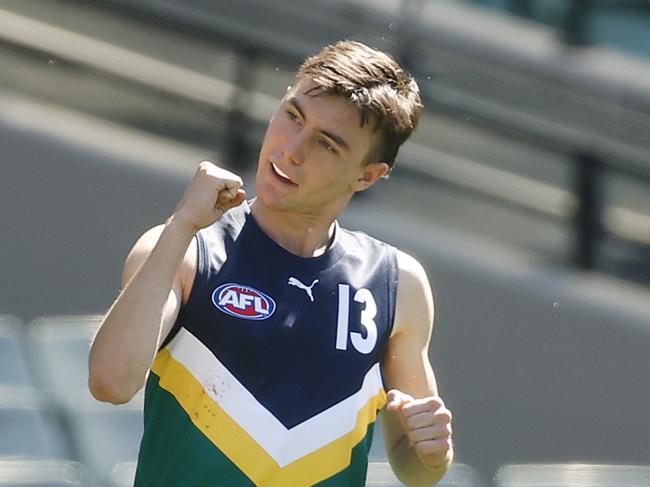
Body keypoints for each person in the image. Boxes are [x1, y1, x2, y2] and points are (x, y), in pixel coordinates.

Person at [89, 40, 453, 486]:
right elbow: (110, 382)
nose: (292, 149)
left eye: (327, 144)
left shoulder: (397, 284)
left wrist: (433, 454)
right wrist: (182, 224)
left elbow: (413, 465)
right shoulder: (188, 250)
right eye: (293, 116)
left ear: (368, 175)